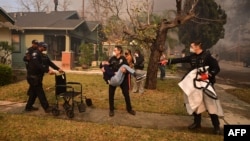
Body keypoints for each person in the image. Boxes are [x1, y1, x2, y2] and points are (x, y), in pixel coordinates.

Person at [167, 40, 223, 135]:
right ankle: (197, 123)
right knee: (195, 104)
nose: (191, 48)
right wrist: (168, 61)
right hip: (195, 85)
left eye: (192, 46)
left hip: (206, 85)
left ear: (198, 46)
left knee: (211, 106)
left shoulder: (208, 57)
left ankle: (216, 126)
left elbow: (216, 68)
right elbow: (181, 59)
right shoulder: (192, 57)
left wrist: (208, 75)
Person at [25, 42, 63, 113]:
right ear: (40, 47)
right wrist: (47, 70)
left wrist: (58, 69)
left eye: (46, 47)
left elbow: (50, 63)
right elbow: (37, 65)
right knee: (40, 92)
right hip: (33, 77)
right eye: (44, 47)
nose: (46, 48)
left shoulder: (44, 55)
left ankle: (28, 107)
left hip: (37, 77)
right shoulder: (35, 54)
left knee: (34, 93)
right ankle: (47, 107)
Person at [100, 45, 136, 117]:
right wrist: (102, 67)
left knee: (126, 94)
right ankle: (111, 109)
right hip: (114, 78)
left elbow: (127, 67)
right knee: (111, 94)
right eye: (114, 50)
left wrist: (125, 70)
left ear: (119, 51)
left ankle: (129, 109)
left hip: (122, 79)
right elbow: (105, 64)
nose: (114, 51)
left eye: (115, 50)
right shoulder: (112, 58)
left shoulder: (123, 58)